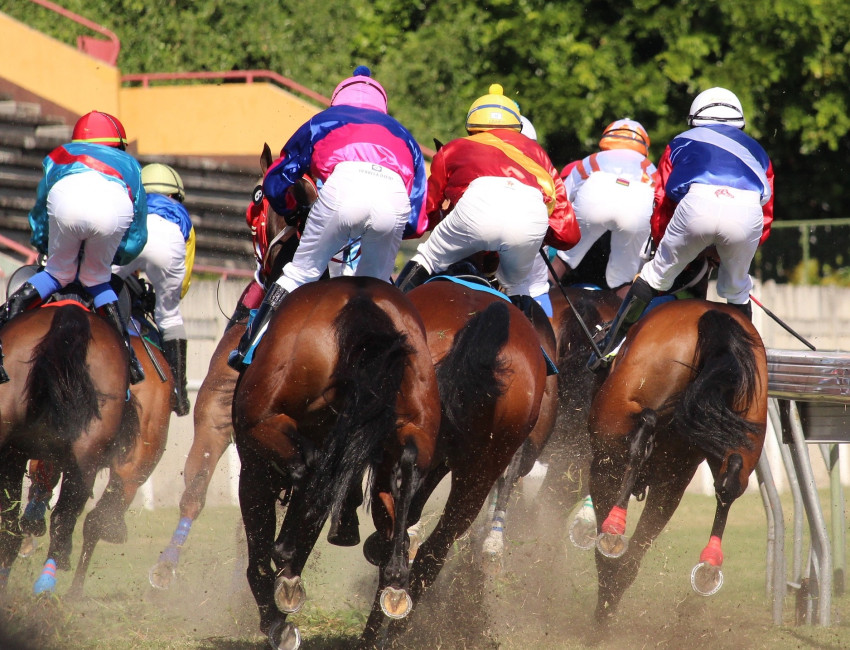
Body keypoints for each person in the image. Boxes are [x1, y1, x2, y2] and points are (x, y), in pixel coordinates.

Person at [228, 66, 427, 370]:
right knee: (376, 289)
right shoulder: (403, 134)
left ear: (338, 100)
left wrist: (289, 207)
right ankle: (381, 368)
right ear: (382, 106)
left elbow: (278, 178)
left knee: (300, 272)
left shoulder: (324, 120)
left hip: (343, 190)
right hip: (393, 200)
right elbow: (417, 220)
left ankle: (247, 349)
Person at [588, 87, 774, 370]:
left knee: (653, 277)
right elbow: (766, 214)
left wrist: (668, 244)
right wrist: (731, 251)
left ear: (694, 118)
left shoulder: (679, 142)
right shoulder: (759, 151)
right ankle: (747, 364)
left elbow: (663, 200)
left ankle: (609, 346)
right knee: (737, 290)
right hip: (747, 213)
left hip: (695, 207)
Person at [394, 84, 580, 315]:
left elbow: (427, 208)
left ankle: (390, 319)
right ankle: (530, 336)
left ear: (472, 127)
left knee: (428, 258)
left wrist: (409, 228)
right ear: (516, 127)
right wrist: (540, 237)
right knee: (519, 286)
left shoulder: (454, 148)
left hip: (475, 212)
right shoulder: (539, 154)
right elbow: (568, 234)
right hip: (529, 218)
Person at [0, 110, 148, 384]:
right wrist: (117, 256)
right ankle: (130, 361)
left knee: (57, 273)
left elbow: (41, 213)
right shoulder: (131, 164)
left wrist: (43, 244)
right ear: (118, 144)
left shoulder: (58, 155)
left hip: (65, 201)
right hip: (112, 212)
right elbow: (137, 234)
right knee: (97, 278)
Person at [113, 163, 195, 415]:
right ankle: (179, 393)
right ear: (173, 195)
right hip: (169, 243)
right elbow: (182, 286)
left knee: (96, 287)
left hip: (134, 233)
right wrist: (157, 299)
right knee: (170, 316)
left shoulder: (130, 203)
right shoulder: (182, 216)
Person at [556, 119, 657, 297]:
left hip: (594, 198)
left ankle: (536, 301)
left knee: (563, 259)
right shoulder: (650, 168)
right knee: (623, 279)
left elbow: (563, 198)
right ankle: (626, 314)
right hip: (637, 204)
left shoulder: (592, 159)